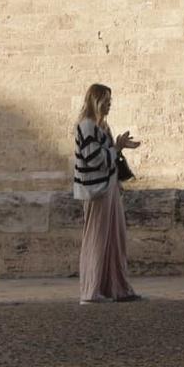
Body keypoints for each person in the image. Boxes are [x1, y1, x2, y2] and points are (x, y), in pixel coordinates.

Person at [73, 82, 141, 304]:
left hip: (109, 188)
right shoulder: (87, 127)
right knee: (97, 238)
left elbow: (108, 157)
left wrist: (118, 152)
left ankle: (116, 288)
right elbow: (95, 159)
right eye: (107, 101)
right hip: (97, 190)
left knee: (115, 238)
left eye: (111, 101)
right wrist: (118, 148)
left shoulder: (104, 127)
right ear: (96, 100)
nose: (110, 105)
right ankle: (91, 292)